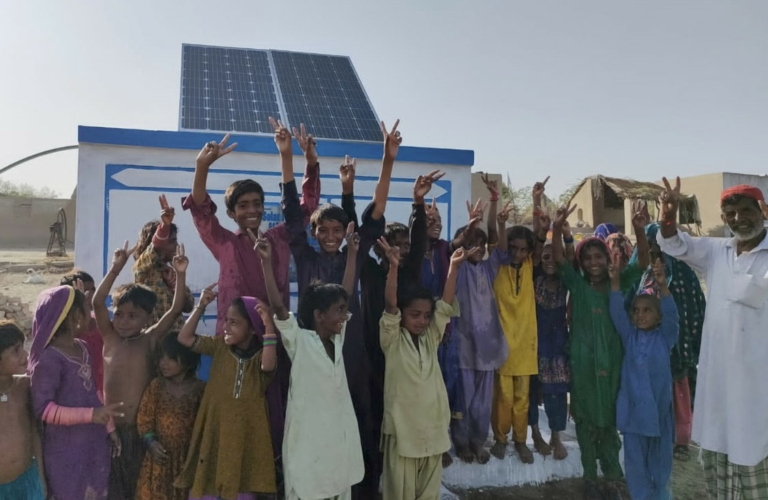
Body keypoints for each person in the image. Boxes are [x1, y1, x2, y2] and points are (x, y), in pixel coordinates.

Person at [183, 124, 320, 474]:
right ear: (231, 213)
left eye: (257, 204)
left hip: (275, 341)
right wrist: (202, 167)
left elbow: (304, 207)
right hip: (233, 349)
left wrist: (297, 159)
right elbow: (200, 210)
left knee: (273, 410)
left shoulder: (280, 237)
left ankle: (269, 474)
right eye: (243, 205)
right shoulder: (224, 242)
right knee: (233, 408)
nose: (251, 210)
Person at [283, 120, 398, 497]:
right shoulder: (304, 256)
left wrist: (387, 160)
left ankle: (360, 489)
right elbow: (290, 211)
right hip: (310, 355)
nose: (331, 237)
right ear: (314, 233)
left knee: (357, 419)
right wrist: (288, 157)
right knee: (311, 420)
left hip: (351, 353)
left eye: (337, 230)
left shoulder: (356, 251)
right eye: (323, 231)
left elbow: (376, 209)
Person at [657, 179, 768, 500]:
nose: (737, 219)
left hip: (758, 383)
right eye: (729, 213)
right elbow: (674, 244)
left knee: (754, 444)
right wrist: (668, 214)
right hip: (719, 377)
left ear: (762, 211)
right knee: (720, 441)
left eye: (745, 211)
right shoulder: (717, 251)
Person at [551, 202, 650, 500]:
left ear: (608, 258)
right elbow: (558, 258)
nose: (594, 262)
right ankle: (590, 479)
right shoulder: (577, 286)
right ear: (581, 264)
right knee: (585, 421)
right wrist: (556, 229)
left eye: (599, 256)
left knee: (609, 422)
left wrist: (641, 231)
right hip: (582, 366)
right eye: (588, 258)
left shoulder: (620, 283)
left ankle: (613, 478)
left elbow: (642, 261)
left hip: (614, 365)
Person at [258, 222, 363, 500]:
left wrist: (352, 254)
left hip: (337, 438)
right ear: (318, 315)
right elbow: (279, 307)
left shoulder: (337, 340)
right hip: (308, 439)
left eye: (344, 311)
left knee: (338, 482)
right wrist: (266, 263)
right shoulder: (300, 341)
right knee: (308, 487)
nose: (344, 315)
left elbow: (347, 293)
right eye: (338, 311)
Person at [359, 169, 442, 483]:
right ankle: (374, 476)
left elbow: (419, 239)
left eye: (406, 245)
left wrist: (417, 204)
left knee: (403, 415)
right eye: (395, 244)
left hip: (404, 358)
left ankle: (406, 470)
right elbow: (366, 233)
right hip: (372, 354)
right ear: (379, 246)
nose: (403, 250)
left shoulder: (409, 273)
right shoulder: (368, 271)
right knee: (375, 416)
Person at [92, 241, 188, 500]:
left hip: (142, 433)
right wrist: (116, 268)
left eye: (132, 316)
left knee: (141, 489)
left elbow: (176, 309)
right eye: (119, 314)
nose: (123, 321)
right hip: (109, 431)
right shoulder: (110, 338)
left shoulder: (150, 339)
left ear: (148, 317)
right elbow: (98, 302)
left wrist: (180, 274)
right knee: (113, 490)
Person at [378, 237, 466, 500]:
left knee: (428, 494)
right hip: (403, 433)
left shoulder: (431, 338)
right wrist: (393, 268)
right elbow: (390, 305)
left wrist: (453, 267)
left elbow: (445, 305)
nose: (422, 320)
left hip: (432, 430)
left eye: (426, 316)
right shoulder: (392, 339)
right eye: (414, 314)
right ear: (402, 315)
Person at [175, 283, 277, 499]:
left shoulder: (260, 358)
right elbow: (184, 338)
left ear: (252, 329)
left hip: (246, 433)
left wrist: (268, 326)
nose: (226, 327)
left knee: (242, 483)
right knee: (209, 479)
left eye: (234, 323)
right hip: (216, 427)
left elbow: (268, 366)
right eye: (225, 321)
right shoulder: (219, 347)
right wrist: (201, 306)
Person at [29, 286, 123, 500]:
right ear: (75, 317)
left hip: (94, 444)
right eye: (86, 308)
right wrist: (90, 415)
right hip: (66, 450)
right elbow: (43, 409)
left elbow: (94, 392)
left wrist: (109, 428)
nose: (91, 313)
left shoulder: (82, 347)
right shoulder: (49, 360)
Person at [628, 222, 706, 462]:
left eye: (661, 244)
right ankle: (654, 434)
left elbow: (695, 308)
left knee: (678, 390)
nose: (657, 251)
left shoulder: (683, 272)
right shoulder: (641, 272)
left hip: (677, 346)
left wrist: (692, 342)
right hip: (646, 348)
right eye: (653, 245)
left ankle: (681, 440)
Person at [489, 176, 550, 464]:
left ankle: (520, 440)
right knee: (502, 397)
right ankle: (500, 439)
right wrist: (498, 213)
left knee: (523, 397)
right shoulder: (498, 266)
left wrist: (537, 200)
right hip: (501, 341)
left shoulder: (529, 264)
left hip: (526, 342)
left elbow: (539, 236)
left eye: (522, 249)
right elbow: (495, 235)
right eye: (512, 248)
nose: (517, 253)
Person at [449, 175, 510, 464]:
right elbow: (455, 246)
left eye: (481, 245)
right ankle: (460, 443)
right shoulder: (457, 269)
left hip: (486, 349)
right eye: (472, 243)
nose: (479, 248)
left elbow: (499, 243)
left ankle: (478, 441)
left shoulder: (489, 268)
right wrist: (470, 226)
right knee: (462, 400)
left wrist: (495, 201)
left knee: (482, 404)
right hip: (463, 347)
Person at [609, 256, 679, 500]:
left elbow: (673, 318)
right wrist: (615, 284)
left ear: (658, 316)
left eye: (647, 310)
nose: (640, 315)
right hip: (634, 417)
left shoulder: (665, 337)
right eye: (636, 311)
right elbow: (618, 313)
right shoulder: (630, 338)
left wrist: (663, 287)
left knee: (660, 468)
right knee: (636, 467)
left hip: (659, 417)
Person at [135, 332, 205, 500]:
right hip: (159, 461)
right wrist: (150, 442)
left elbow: (206, 426)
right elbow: (145, 419)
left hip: (188, 463)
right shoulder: (157, 386)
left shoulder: (201, 391)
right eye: (161, 358)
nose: (163, 363)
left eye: (171, 358)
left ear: (188, 360)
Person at [529, 231, 573, 462]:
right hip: (533, 344)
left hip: (556, 347)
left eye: (555, 258)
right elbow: (536, 254)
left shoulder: (566, 281)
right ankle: (535, 433)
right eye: (546, 257)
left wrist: (566, 237)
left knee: (557, 393)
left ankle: (557, 436)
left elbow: (572, 260)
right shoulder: (535, 278)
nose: (550, 262)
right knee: (530, 390)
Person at [133, 194, 195, 327]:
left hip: (174, 340)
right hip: (153, 342)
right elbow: (155, 247)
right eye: (172, 241)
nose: (177, 245)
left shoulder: (171, 272)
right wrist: (165, 226)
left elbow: (188, 306)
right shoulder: (143, 269)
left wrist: (175, 282)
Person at [0, 321, 46, 499]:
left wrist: (41, 478)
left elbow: (35, 432)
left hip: (27, 481)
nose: (25, 354)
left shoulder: (25, 387)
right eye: (16, 350)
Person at [60, 270, 104, 395]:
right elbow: (78, 329)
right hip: (74, 389)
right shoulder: (62, 325)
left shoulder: (99, 321)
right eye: (84, 291)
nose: (90, 294)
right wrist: (80, 305)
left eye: (93, 289)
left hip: (98, 387)